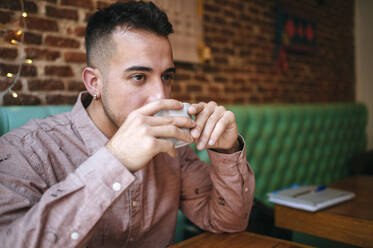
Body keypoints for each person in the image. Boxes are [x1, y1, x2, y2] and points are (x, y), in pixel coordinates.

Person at [0, 1, 254, 247]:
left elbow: (227, 224)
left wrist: (226, 150)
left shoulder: (172, 144)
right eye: (138, 77)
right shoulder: (26, 150)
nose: (161, 95)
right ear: (94, 83)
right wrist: (115, 162)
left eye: (166, 76)